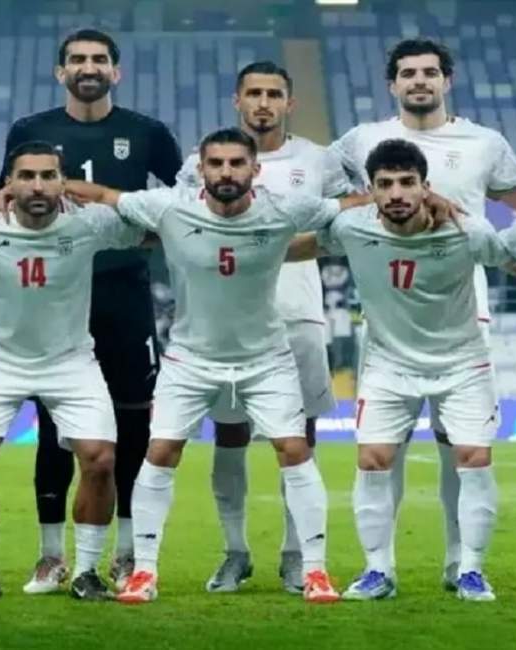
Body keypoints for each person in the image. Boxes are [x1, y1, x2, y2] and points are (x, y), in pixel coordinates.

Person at [64, 127, 395, 605]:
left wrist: (415, 199)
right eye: (216, 164)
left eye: (236, 163)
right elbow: (103, 195)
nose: (226, 172)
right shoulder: (169, 206)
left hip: (266, 359)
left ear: (255, 170)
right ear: (200, 169)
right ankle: (144, 572)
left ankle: (316, 571)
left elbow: (349, 206)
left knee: (294, 449)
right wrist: (40, 186)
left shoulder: (284, 208)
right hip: (190, 359)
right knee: (160, 452)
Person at [327, 37, 516, 590]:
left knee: (459, 451)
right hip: (389, 314)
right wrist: (367, 202)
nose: (419, 81)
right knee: (382, 453)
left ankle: (461, 565)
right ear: (392, 84)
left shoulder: (484, 143)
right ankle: (380, 567)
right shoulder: (360, 141)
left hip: (464, 312)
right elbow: (320, 196)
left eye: (429, 72)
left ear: (447, 80)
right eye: (408, 73)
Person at [288, 139, 516, 601]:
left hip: (462, 363)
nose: (396, 193)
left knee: (473, 459)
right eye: (385, 184)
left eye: (406, 182)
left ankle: (471, 570)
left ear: (425, 186)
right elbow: (302, 243)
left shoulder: (466, 230)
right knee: (373, 460)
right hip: (387, 364)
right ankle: (378, 571)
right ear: (372, 190)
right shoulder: (352, 226)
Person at [2, 28, 183, 593]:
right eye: (77, 60)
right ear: (61, 72)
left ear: (115, 71)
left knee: (133, 424)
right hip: (54, 298)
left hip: (124, 293)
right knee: (53, 424)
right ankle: (51, 555)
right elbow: (6, 201)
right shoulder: (29, 132)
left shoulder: (147, 132)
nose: (89, 67)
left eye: (99, 59)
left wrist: (146, 237)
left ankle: (127, 553)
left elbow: (183, 205)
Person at [0, 142, 147, 602]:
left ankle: (87, 572)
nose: (37, 185)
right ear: (8, 184)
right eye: (26, 176)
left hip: (70, 362)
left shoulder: (89, 222)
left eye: (48, 176)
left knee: (100, 461)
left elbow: (157, 224)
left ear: (62, 181)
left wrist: (100, 194)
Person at [175, 61, 352, 594]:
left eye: (274, 93)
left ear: (289, 103)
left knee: (299, 439)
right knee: (229, 435)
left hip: (297, 315)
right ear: (237, 100)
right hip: (223, 321)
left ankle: (297, 555)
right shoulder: (202, 163)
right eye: (253, 93)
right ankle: (235, 551)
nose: (263, 103)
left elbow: (345, 219)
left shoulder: (319, 160)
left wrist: (283, 248)